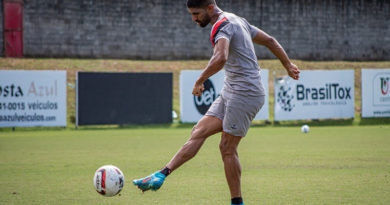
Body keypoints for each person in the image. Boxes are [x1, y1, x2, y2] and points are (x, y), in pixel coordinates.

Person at [133, 0, 300, 204]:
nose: (194, 19)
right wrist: (288, 65)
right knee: (199, 131)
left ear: (210, 8)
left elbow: (221, 58)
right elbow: (271, 41)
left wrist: (200, 79)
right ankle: (161, 174)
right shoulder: (237, 19)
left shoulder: (221, 26)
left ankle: (237, 202)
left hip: (246, 93)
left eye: (196, 14)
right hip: (231, 90)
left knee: (227, 147)